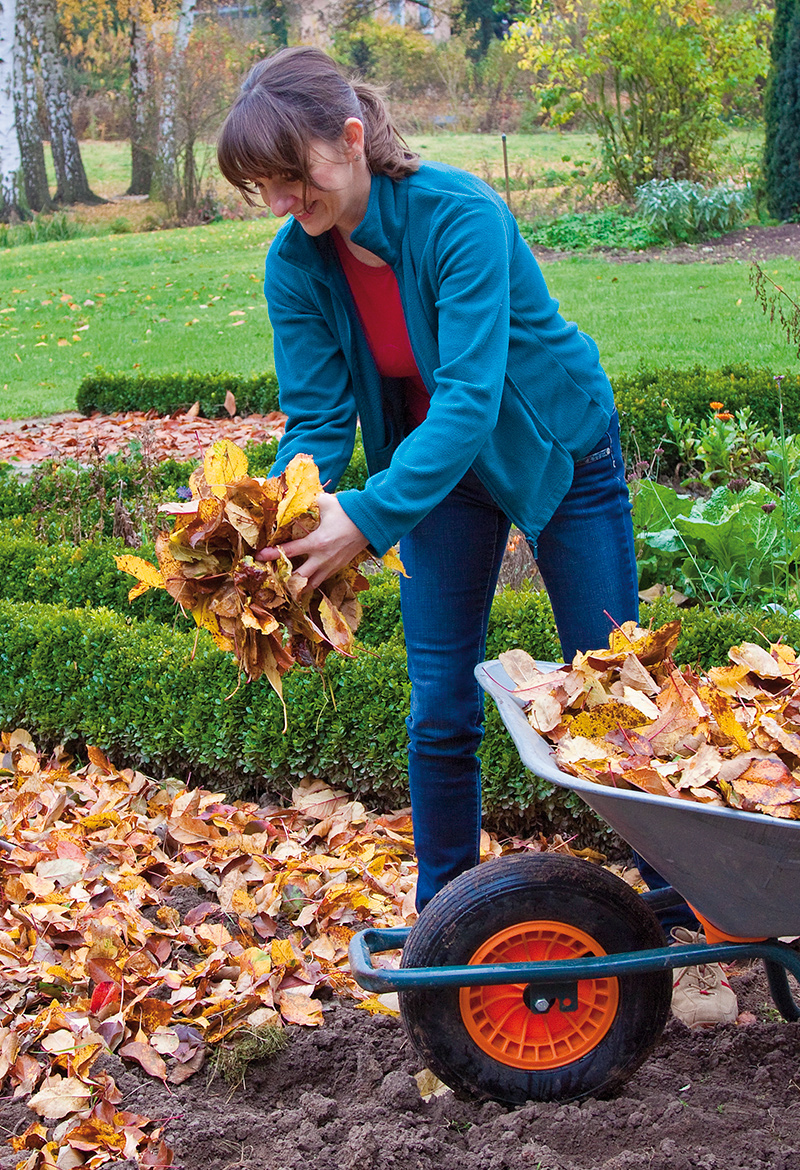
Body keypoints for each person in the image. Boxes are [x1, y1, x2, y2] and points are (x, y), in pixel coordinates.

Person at [216, 48, 734, 1025]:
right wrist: (279, 518)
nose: (286, 199)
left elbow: (471, 398)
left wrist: (365, 521)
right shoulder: (297, 261)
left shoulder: (458, 215)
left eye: (297, 172)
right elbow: (317, 422)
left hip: (551, 448)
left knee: (608, 694)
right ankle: (441, 927)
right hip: (435, 472)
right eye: (265, 185)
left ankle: (694, 932)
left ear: (352, 140)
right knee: (437, 705)